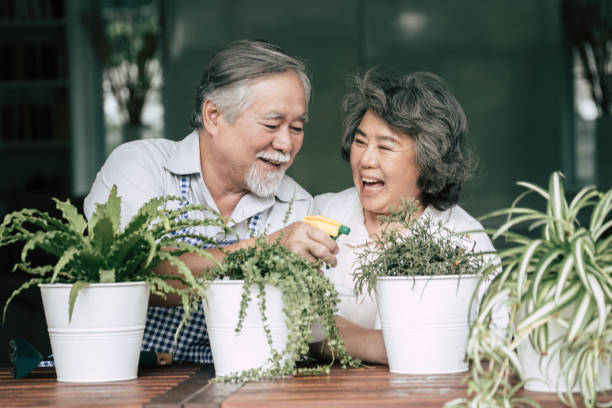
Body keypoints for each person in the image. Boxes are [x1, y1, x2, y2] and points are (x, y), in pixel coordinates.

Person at [83, 39, 339, 364]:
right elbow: (127, 275)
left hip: (240, 384)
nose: (286, 142)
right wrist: (268, 248)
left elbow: (303, 329)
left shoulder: (296, 206)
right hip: (119, 375)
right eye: (272, 125)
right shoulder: (141, 167)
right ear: (214, 115)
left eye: (297, 127)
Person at [312, 70, 498, 364]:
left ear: (428, 160)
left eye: (385, 147)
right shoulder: (321, 213)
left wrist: (336, 333)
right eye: (360, 142)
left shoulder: (464, 237)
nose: (366, 159)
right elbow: (296, 323)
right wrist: (384, 346)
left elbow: (490, 337)